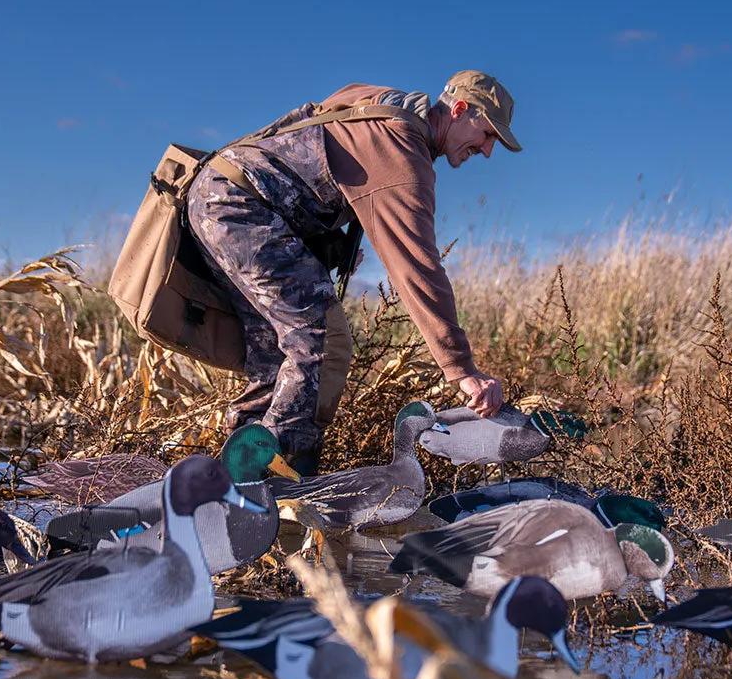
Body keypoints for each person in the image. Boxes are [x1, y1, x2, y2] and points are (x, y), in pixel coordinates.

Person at [186, 70, 520, 475]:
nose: (486, 151)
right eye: (487, 135)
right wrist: (462, 369)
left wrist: (329, 241)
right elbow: (418, 267)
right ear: (461, 110)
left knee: (278, 351)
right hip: (242, 208)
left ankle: (232, 467)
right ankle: (275, 478)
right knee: (320, 339)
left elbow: (315, 121)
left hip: (218, 195)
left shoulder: (382, 102)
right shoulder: (402, 152)